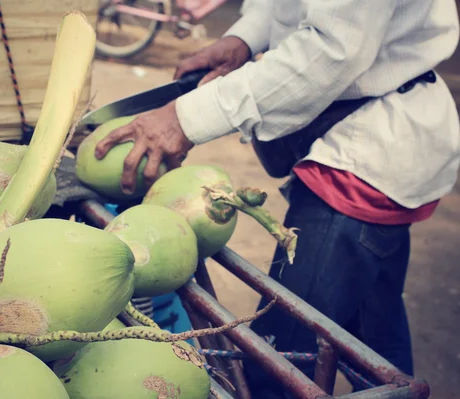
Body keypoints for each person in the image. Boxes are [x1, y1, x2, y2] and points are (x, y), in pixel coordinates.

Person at [94, 0, 460, 397]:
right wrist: (245, 38)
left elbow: (333, 48)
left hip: (366, 155)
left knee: (278, 369)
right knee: (372, 339)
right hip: (369, 144)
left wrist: (184, 118)